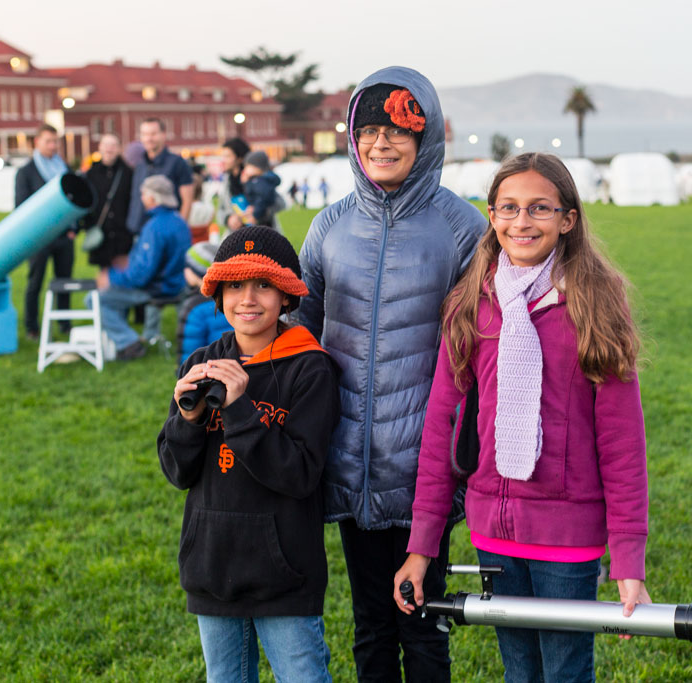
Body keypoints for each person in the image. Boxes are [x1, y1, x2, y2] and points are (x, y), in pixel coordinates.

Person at [393, 153, 650, 683]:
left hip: (567, 534)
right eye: (508, 208)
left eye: (539, 208)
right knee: (519, 673)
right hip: (494, 533)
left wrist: (628, 560)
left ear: (567, 218)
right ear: (491, 215)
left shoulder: (596, 302)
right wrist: (422, 545)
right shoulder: (471, 302)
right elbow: (441, 426)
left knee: (564, 673)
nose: (522, 221)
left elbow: (623, 442)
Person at [297, 67, 486, 681]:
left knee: (423, 625)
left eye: (397, 130)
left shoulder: (462, 229)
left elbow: (482, 350)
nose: (381, 143)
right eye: (368, 129)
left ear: (426, 138)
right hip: (348, 459)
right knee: (370, 623)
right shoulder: (328, 227)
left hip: (425, 465)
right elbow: (299, 331)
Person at [157, 225, 340, 683]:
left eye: (264, 285)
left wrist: (240, 410)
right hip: (212, 565)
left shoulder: (310, 367)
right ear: (218, 296)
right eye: (235, 286)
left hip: (283, 573)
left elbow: (299, 474)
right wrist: (189, 420)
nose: (248, 299)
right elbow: (178, 472)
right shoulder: (202, 361)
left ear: (286, 297)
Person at [96, 175, 190, 360]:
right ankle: (123, 341)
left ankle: (128, 343)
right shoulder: (179, 221)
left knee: (96, 299)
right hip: (176, 284)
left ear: (153, 199)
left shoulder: (155, 227)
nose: (141, 198)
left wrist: (112, 277)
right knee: (110, 294)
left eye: (143, 194)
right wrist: (129, 262)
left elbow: (141, 276)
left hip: (159, 289)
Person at [16, 124, 74, 341]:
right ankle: (32, 326)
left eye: (55, 141)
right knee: (35, 282)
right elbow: (21, 207)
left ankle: (65, 323)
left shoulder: (63, 168)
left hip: (63, 236)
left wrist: (72, 228)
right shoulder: (27, 172)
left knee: (65, 281)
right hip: (39, 238)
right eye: (48, 141)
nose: (52, 146)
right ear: (37, 142)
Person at [126, 118, 194, 234]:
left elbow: (187, 201)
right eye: (145, 134)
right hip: (139, 232)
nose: (149, 138)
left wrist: (177, 229)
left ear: (163, 135)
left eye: (153, 134)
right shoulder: (140, 165)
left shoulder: (177, 163)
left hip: (166, 233)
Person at [79, 133, 133, 268]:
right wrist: (87, 225)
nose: (109, 149)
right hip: (101, 237)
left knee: (123, 277)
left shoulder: (129, 173)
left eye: (113, 145)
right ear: (100, 147)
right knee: (103, 278)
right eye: (106, 145)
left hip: (123, 237)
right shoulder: (91, 174)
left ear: (119, 148)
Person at [177, 240, 232, 364]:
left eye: (187, 267)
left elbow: (189, 356)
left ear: (196, 273)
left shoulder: (194, 309)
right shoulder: (232, 298)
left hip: (209, 375)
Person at [213, 137, 250, 233]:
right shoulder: (227, 182)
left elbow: (280, 203)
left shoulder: (255, 179)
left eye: (228, 156)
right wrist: (228, 219)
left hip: (262, 239)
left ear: (240, 158)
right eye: (223, 156)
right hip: (236, 239)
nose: (223, 160)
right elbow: (220, 211)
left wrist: (256, 212)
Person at [239, 150, 283, 226]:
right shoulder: (256, 180)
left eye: (247, 166)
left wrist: (255, 214)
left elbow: (262, 199)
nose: (245, 170)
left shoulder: (260, 182)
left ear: (257, 168)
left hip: (260, 217)